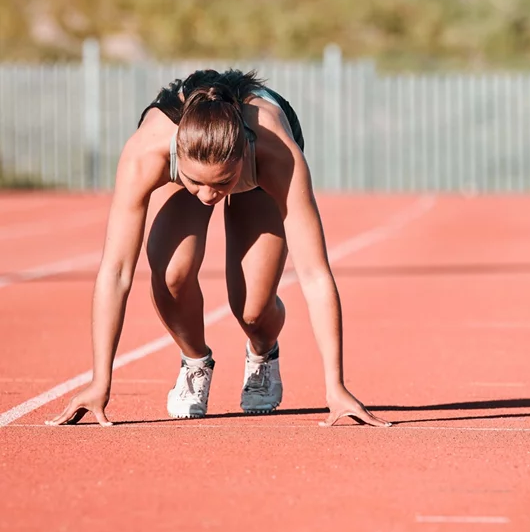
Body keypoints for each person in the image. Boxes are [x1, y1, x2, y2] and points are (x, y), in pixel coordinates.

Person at [45, 69, 390, 428]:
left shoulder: (275, 154)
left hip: (256, 173)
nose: (209, 196)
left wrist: (335, 386)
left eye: (222, 182)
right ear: (178, 155)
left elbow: (315, 274)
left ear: (242, 155)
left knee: (253, 311)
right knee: (171, 274)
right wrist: (100, 381)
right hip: (195, 159)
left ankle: (263, 351)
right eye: (197, 183)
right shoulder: (147, 153)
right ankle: (195, 361)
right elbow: (116, 272)